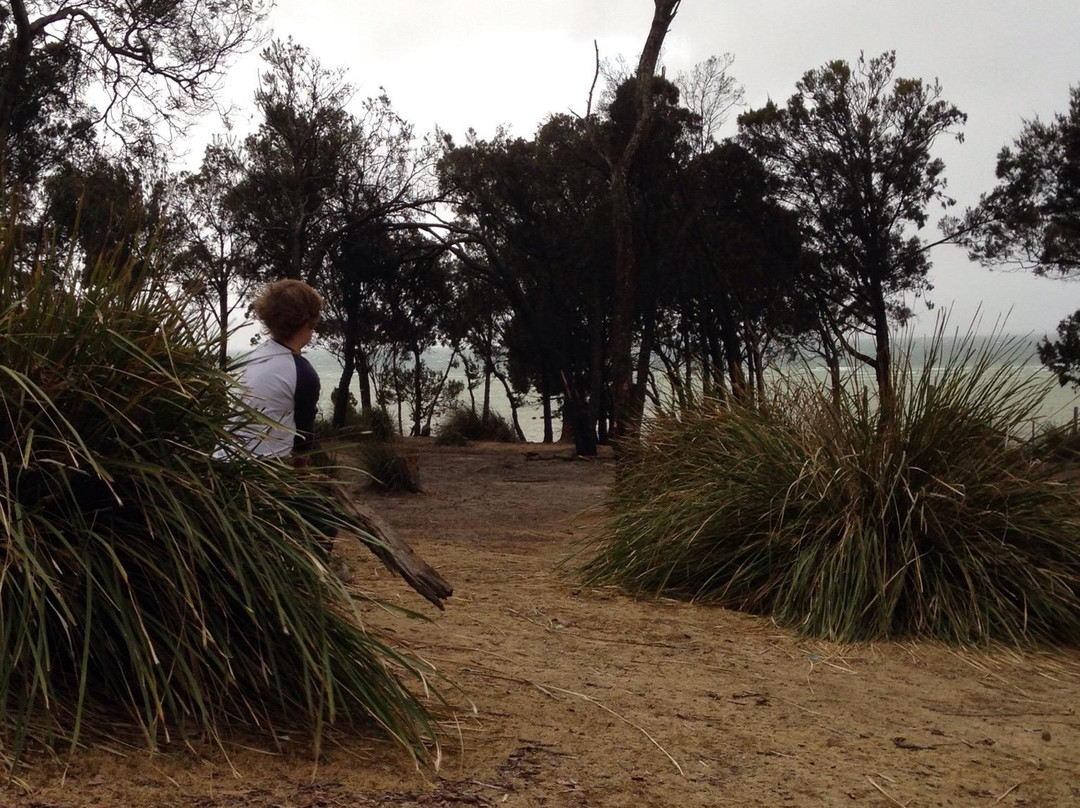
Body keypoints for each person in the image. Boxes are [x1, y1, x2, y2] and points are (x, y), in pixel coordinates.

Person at [236, 279, 323, 467]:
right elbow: (303, 441)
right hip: (261, 469)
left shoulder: (257, 355)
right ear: (308, 321)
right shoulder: (303, 373)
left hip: (226, 458)